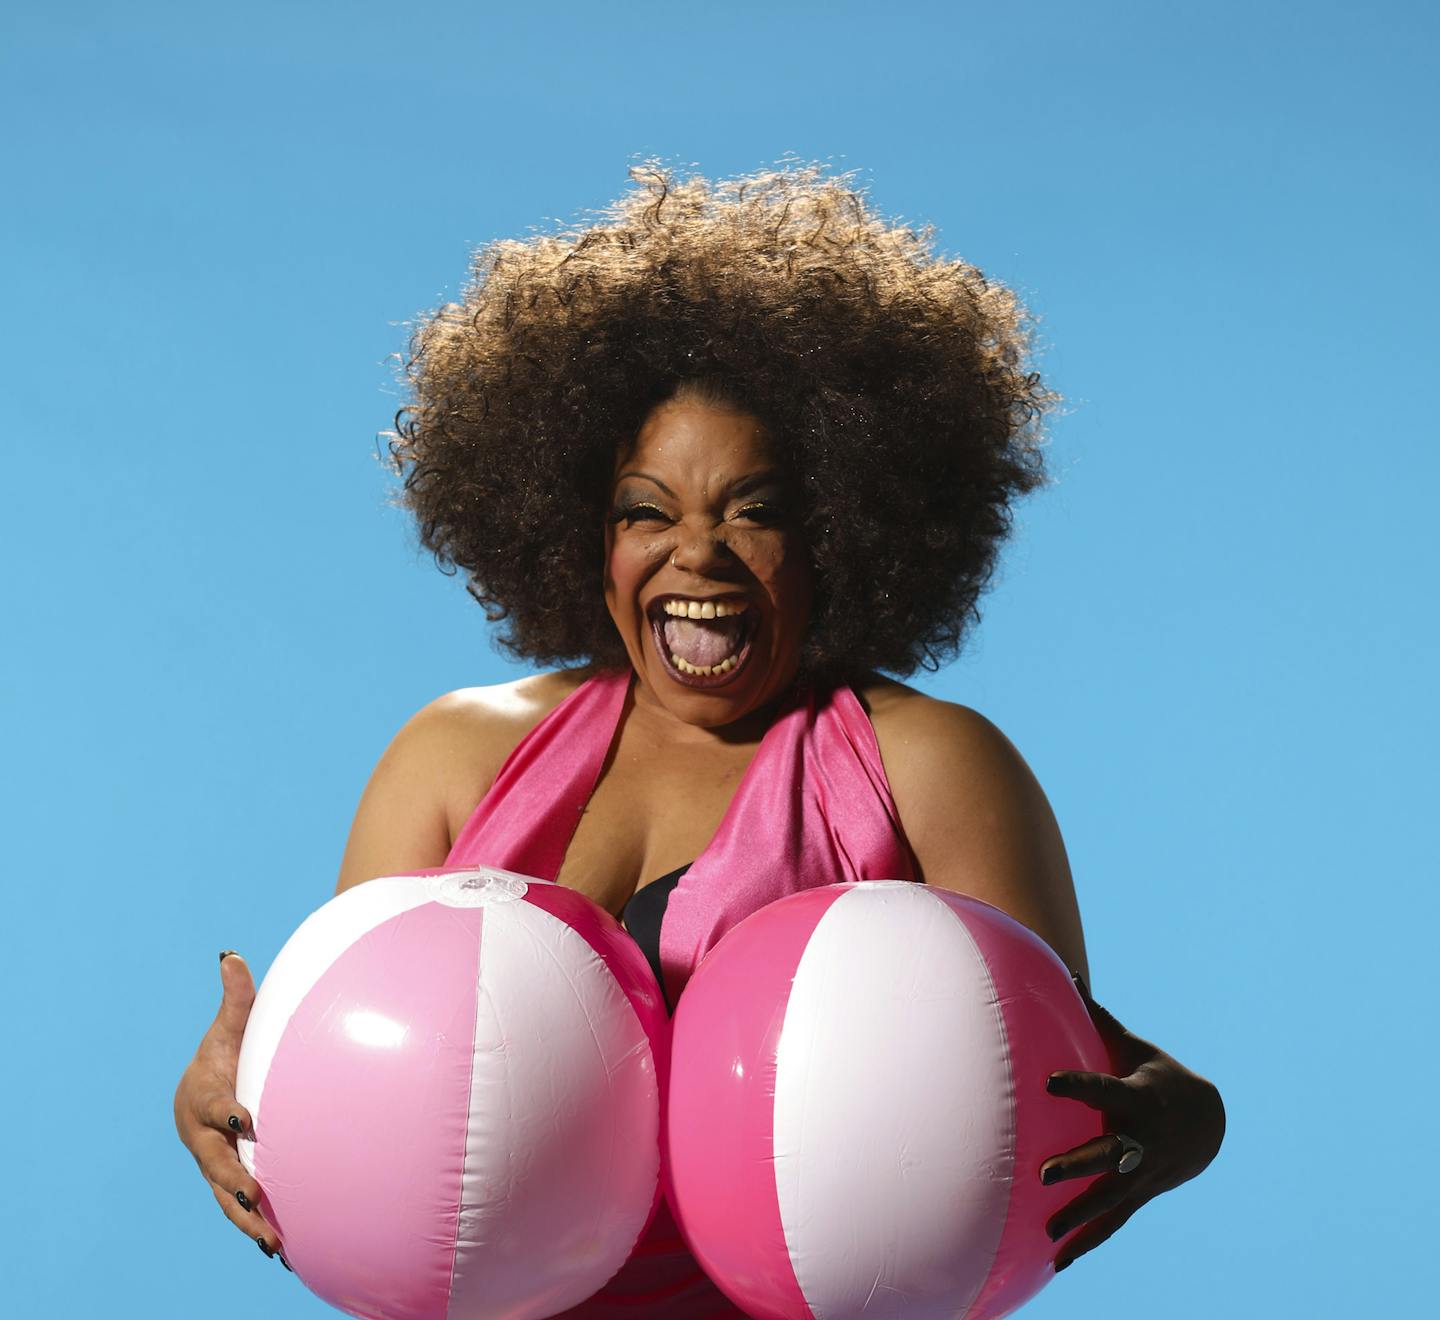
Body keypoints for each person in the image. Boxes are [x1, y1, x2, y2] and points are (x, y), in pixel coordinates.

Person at [174, 164, 1225, 1311]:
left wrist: (1182, 1119)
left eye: (755, 510)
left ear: (841, 527)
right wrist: (232, 1099)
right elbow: (342, 1097)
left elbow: (1055, 1097)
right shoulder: (452, 755)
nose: (698, 556)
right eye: (646, 510)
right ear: (581, 527)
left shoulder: (929, 765)